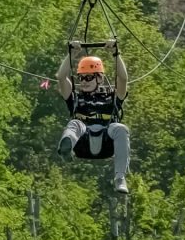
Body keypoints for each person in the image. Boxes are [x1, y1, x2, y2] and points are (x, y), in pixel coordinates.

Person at [55, 39, 131, 194]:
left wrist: (116, 53)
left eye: (89, 77)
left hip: (106, 141)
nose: (84, 81)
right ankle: (66, 149)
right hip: (83, 142)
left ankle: (120, 178)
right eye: (81, 77)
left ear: (100, 78)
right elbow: (61, 77)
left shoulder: (112, 96)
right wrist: (71, 54)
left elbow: (123, 79)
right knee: (75, 123)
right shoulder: (75, 98)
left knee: (120, 128)